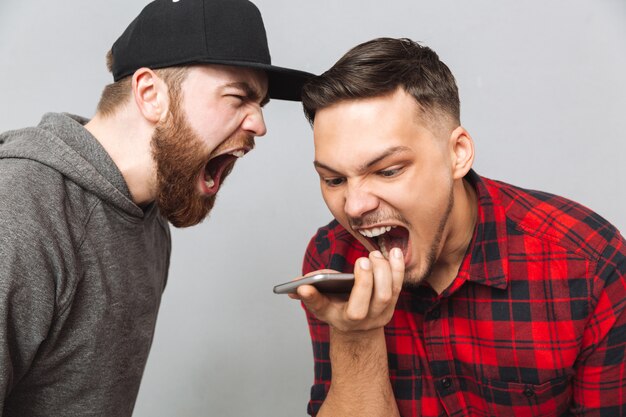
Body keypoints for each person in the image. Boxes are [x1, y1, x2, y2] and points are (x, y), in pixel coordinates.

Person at [0, 0, 311, 415]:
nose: (260, 124)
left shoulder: (149, 223)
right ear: (150, 94)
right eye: (239, 97)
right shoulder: (21, 207)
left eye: (261, 105)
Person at [291, 37, 626, 416]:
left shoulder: (590, 265)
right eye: (334, 180)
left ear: (458, 154)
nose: (354, 206)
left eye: (387, 171)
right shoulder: (332, 258)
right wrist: (357, 336)